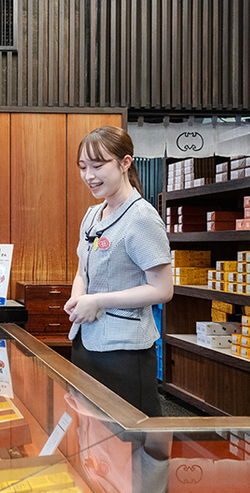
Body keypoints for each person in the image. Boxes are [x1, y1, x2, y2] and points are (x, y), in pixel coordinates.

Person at [64, 125, 173, 417]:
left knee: (131, 438)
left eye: (98, 166)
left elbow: (163, 289)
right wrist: (79, 298)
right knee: (94, 440)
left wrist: (98, 301)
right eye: (83, 167)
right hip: (85, 340)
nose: (89, 176)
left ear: (125, 163)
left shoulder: (141, 218)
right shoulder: (91, 215)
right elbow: (81, 272)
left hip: (125, 352)